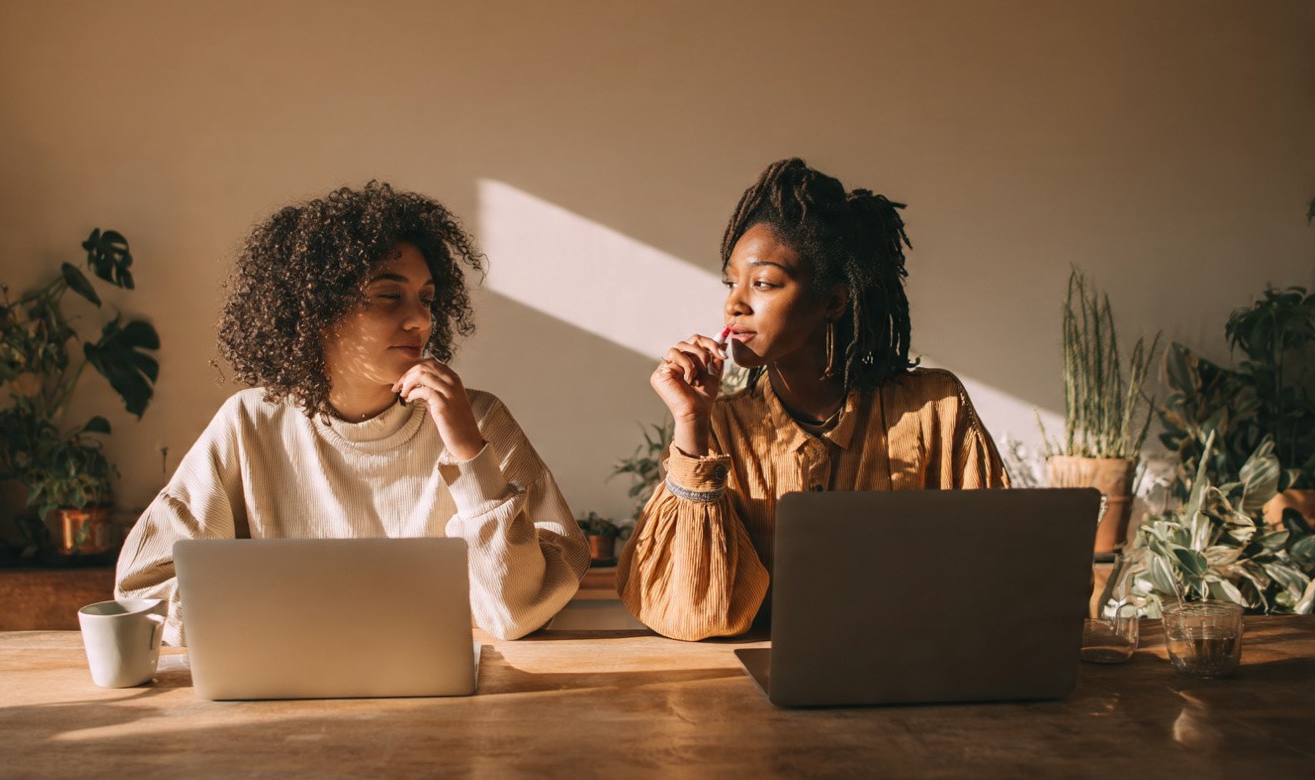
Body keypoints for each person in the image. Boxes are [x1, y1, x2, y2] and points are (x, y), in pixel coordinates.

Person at [116, 182, 589, 644]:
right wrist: (270, 621)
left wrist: (469, 454)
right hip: (285, 698)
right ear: (317, 310)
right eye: (389, 295)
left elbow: (518, 613)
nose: (421, 320)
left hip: (448, 708)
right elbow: (143, 586)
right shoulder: (249, 422)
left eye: (426, 298)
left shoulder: (477, 419)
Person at [617, 158, 1007, 641]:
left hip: (906, 680)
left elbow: (995, 575)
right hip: (750, 693)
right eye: (730, 282)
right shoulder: (721, 428)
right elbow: (694, 615)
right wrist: (692, 422)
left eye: (762, 283)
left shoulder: (935, 408)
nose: (734, 304)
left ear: (834, 302)